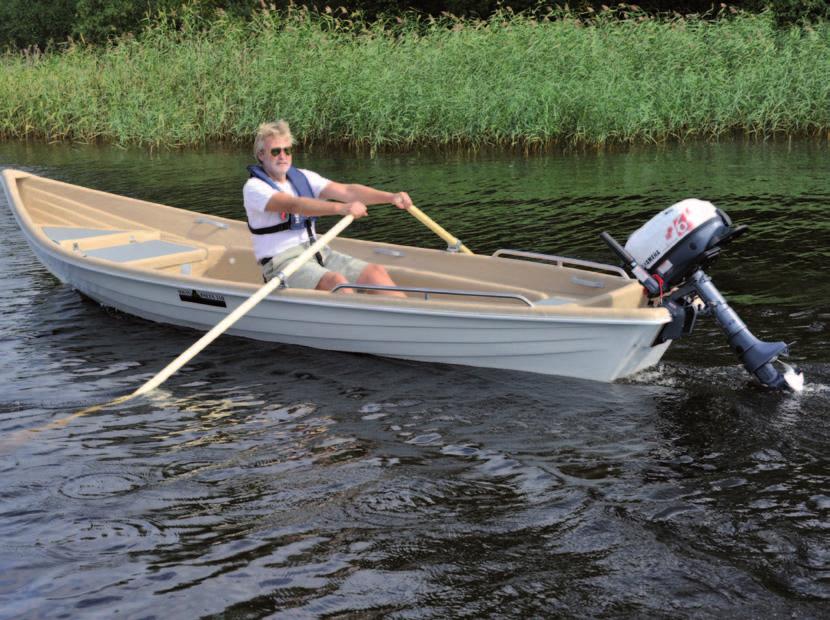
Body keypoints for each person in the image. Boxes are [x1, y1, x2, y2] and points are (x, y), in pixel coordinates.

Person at [243, 120, 412, 296]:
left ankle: (408, 317)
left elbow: (348, 191)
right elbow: (295, 205)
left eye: (287, 150)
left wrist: (390, 197)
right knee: (337, 284)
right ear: (261, 155)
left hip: (317, 251)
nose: (283, 156)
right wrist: (341, 209)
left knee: (375, 272)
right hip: (283, 262)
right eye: (276, 151)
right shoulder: (254, 188)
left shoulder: (304, 177)